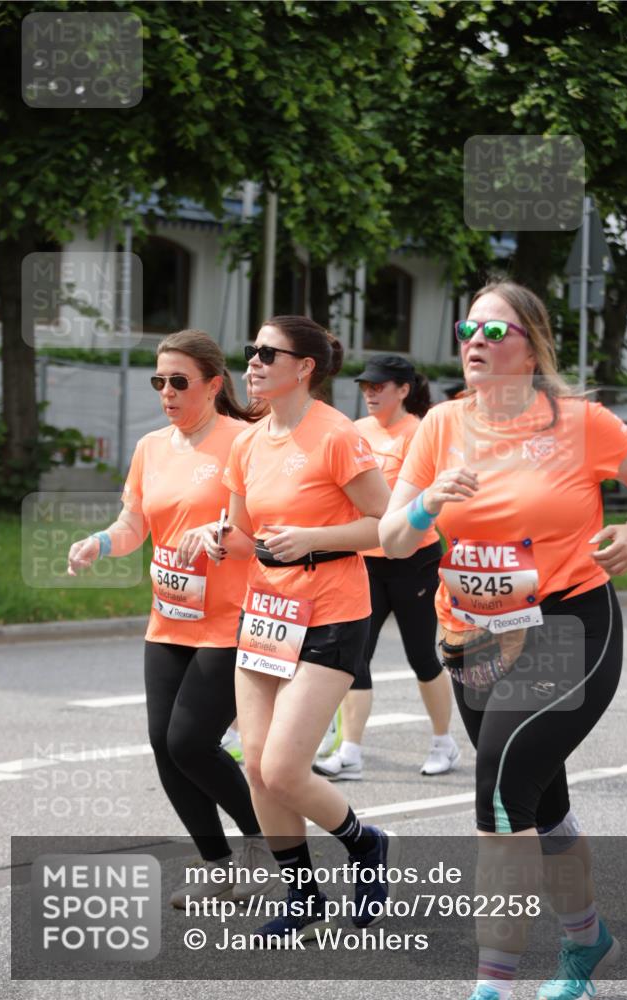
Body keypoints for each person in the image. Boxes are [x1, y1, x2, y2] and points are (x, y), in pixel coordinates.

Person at [378, 282, 627, 1000]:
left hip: (564, 625)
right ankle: (587, 940)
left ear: (529, 345)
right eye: (467, 325)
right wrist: (425, 503)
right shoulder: (439, 425)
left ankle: (491, 986)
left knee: (500, 795)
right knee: (540, 802)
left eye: (493, 330)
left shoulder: (578, 422)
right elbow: (391, 536)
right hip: (467, 638)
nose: (474, 338)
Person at [67, 329, 272, 907]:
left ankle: (262, 843)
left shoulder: (247, 442)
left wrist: (220, 536)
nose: (166, 392)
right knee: (163, 742)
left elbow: (268, 533)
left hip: (234, 616)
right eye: (159, 381)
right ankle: (216, 864)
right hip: (171, 617)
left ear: (213, 384)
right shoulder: (152, 448)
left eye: (179, 381)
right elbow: (135, 525)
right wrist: (99, 544)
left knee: (190, 740)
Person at [220, 315, 398, 941]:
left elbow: (387, 526)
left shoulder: (337, 436)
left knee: (286, 768)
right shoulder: (247, 442)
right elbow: (245, 537)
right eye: (251, 350)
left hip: (332, 613)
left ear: (305, 368)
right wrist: (218, 540)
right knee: (255, 767)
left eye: (269, 353)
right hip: (265, 615)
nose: (254, 363)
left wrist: (313, 539)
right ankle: (301, 893)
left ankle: (365, 843)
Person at [313, 354, 459, 780]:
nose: (370, 394)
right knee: (356, 658)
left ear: (403, 390)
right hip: (367, 561)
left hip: (414, 560)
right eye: (365, 386)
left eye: (379, 386)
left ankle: (443, 743)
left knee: (422, 657)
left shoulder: (420, 432)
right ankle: (352, 751)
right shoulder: (355, 431)